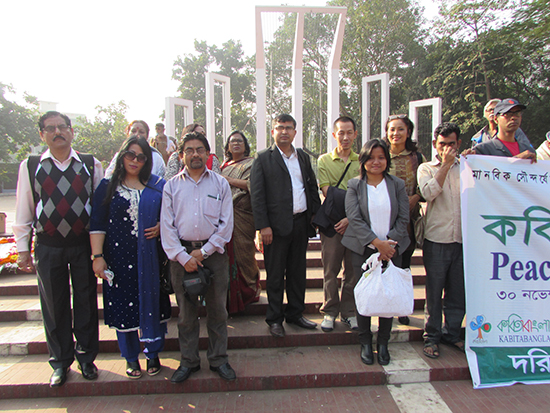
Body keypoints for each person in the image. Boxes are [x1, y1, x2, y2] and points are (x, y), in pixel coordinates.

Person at [13, 111, 104, 387]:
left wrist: (100, 251)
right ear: (42, 134)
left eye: (62, 127)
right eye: (50, 128)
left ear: (71, 131)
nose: (57, 132)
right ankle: (60, 362)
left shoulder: (90, 164)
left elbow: (100, 210)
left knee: (86, 302)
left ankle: (86, 358)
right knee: (54, 305)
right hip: (48, 246)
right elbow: (24, 208)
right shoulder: (31, 166)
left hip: (82, 245)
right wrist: (22, 249)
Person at [90, 136, 171, 379]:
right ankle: (131, 357)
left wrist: (162, 226)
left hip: (152, 258)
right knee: (124, 306)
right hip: (118, 258)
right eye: (130, 155)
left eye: (141, 157)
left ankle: (153, 353)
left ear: (147, 161)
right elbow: (97, 223)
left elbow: (172, 215)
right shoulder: (108, 186)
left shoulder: (157, 185)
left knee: (153, 302)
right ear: (122, 156)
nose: (135, 161)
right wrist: (97, 256)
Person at [160, 131, 235, 383]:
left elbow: (226, 225)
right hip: (181, 257)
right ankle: (189, 362)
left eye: (200, 149)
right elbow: (167, 227)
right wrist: (183, 257)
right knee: (186, 314)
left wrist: (203, 252)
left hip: (213, 256)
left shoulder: (220, 184)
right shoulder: (171, 186)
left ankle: (218, 359)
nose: (195, 154)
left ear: (207, 154)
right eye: (189, 150)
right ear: (181, 155)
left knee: (217, 310)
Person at [250, 114, 321, 338]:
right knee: (275, 275)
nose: (284, 131)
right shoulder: (263, 158)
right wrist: (263, 226)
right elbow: (257, 195)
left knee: (298, 272)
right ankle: (274, 319)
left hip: (300, 223)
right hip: (275, 228)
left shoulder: (302, 157)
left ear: (295, 132)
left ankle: (295, 314)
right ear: (273, 132)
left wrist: (315, 216)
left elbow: (311, 187)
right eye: (280, 127)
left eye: (289, 128)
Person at [341, 139, 409, 366]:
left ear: (387, 160)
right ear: (363, 160)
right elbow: (354, 218)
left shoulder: (397, 184)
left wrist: (388, 246)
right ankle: (365, 342)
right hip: (363, 250)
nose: (376, 162)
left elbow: (403, 218)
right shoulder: (354, 185)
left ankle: (383, 342)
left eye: (381, 157)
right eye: (371, 158)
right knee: (365, 295)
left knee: (388, 295)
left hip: (392, 249)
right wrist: (377, 244)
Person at [417, 122, 465, 359]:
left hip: (463, 239)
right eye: (442, 144)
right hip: (437, 239)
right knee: (434, 292)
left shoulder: (468, 167)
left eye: (451, 144)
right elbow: (428, 193)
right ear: (435, 144)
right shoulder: (426, 168)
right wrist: (445, 165)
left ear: (459, 144)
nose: (447, 149)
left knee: (458, 292)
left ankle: (452, 333)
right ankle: (432, 336)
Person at [317, 116, 360, 332]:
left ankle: (349, 312)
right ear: (334, 135)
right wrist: (349, 209)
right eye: (341, 133)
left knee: (352, 271)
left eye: (349, 132)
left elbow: (365, 194)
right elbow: (327, 193)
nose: (345, 137)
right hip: (332, 225)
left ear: (355, 134)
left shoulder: (362, 160)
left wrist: (351, 219)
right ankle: (330, 311)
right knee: (330, 270)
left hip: (356, 224)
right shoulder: (324, 160)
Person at [384, 114, 426, 326]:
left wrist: (416, 197)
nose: (396, 133)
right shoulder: (381, 154)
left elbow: (425, 185)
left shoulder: (417, 157)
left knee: (403, 267)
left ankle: (401, 308)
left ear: (408, 132)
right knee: (384, 265)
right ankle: (384, 307)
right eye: (392, 129)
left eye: (400, 129)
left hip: (408, 221)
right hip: (384, 221)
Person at [221, 131, 261, 313]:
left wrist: (229, 180)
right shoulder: (223, 166)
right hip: (224, 217)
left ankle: (249, 290)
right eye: (232, 141)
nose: (236, 143)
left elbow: (254, 185)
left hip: (243, 215)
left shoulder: (252, 163)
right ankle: (230, 296)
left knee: (244, 254)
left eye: (240, 141)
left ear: (245, 145)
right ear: (228, 147)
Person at [467, 98, 536, 162]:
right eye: (507, 114)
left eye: (517, 113)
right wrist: (516, 160)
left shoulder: (529, 151)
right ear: (496, 119)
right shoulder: (483, 150)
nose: (514, 117)